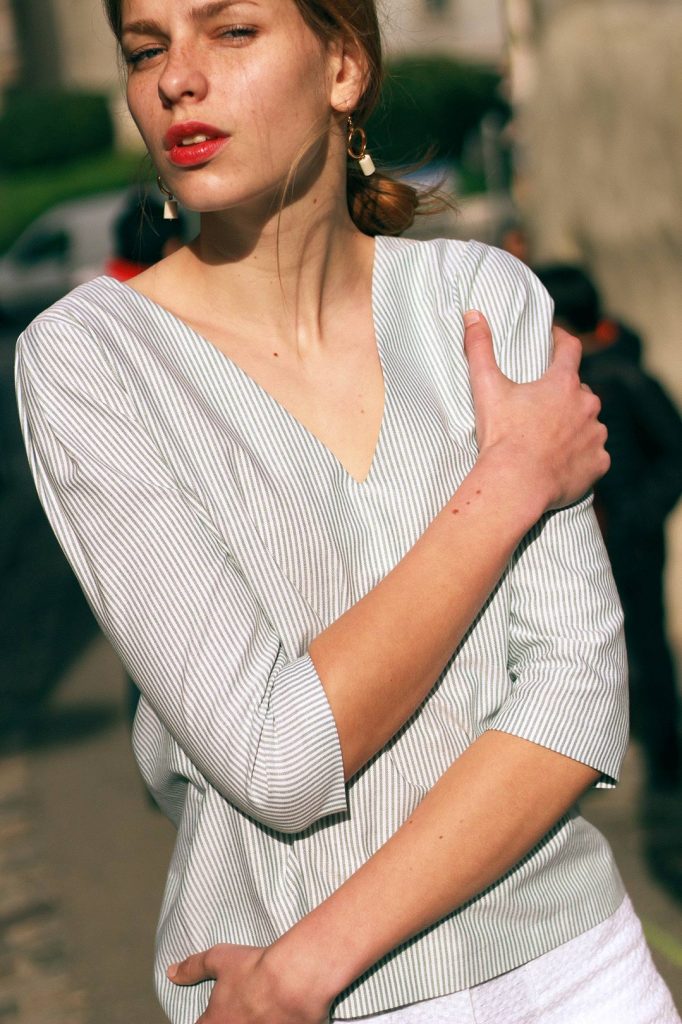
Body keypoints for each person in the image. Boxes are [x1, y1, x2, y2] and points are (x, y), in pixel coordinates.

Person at [13, 1, 680, 1022]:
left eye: (230, 31)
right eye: (145, 48)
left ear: (342, 65)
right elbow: (279, 756)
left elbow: (578, 690)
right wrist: (506, 487)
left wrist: (313, 955)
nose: (175, 79)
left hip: (573, 968)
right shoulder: (91, 360)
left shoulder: (481, 297)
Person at [535, 264, 682, 794]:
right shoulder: (555, 382)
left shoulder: (622, 376)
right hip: (591, 539)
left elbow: (675, 453)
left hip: (630, 540)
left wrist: (636, 517)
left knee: (645, 643)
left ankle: (666, 757)